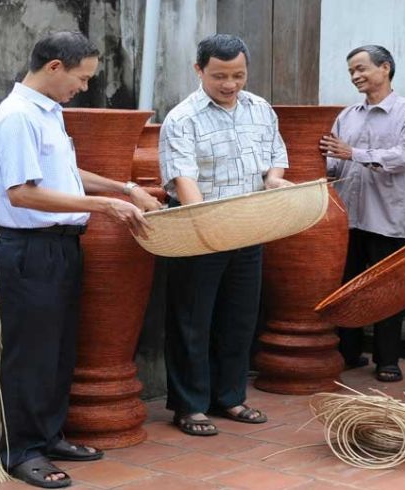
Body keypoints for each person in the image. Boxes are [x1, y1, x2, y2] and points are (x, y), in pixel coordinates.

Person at [0, 31, 162, 488]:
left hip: (61, 245)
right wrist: (105, 208)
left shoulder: (48, 113)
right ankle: (22, 450)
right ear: (54, 68)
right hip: (29, 249)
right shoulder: (17, 118)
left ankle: (49, 435)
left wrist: (124, 188)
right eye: (82, 79)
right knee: (31, 355)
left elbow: (66, 173)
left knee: (60, 350)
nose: (84, 87)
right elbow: (22, 192)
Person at [159, 34, 292, 436]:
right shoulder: (182, 118)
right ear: (199, 70)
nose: (230, 84)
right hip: (198, 231)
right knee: (192, 320)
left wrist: (273, 182)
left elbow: (275, 159)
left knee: (239, 317)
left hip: (248, 227)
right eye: (220, 76)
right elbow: (184, 181)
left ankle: (230, 397)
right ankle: (190, 405)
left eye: (238, 75)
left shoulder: (261, 109)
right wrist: (207, 223)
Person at [322, 45, 405, 383]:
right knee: (348, 286)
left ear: (385, 68)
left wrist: (353, 153)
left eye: (362, 69)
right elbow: (334, 163)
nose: (356, 76)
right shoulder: (347, 115)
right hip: (347, 216)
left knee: (387, 290)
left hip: (388, 217)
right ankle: (349, 353)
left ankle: (387, 360)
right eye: (351, 71)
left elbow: (403, 157)